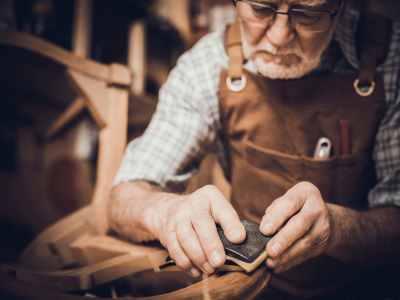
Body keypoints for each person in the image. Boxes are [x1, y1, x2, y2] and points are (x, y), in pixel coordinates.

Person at [109, 0, 400, 298]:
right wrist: (167, 213)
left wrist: (339, 229)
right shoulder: (207, 66)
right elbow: (123, 197)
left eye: (308, 15)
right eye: (261, 9)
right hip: (248, 289)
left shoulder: (390, 59)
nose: (278, 36)